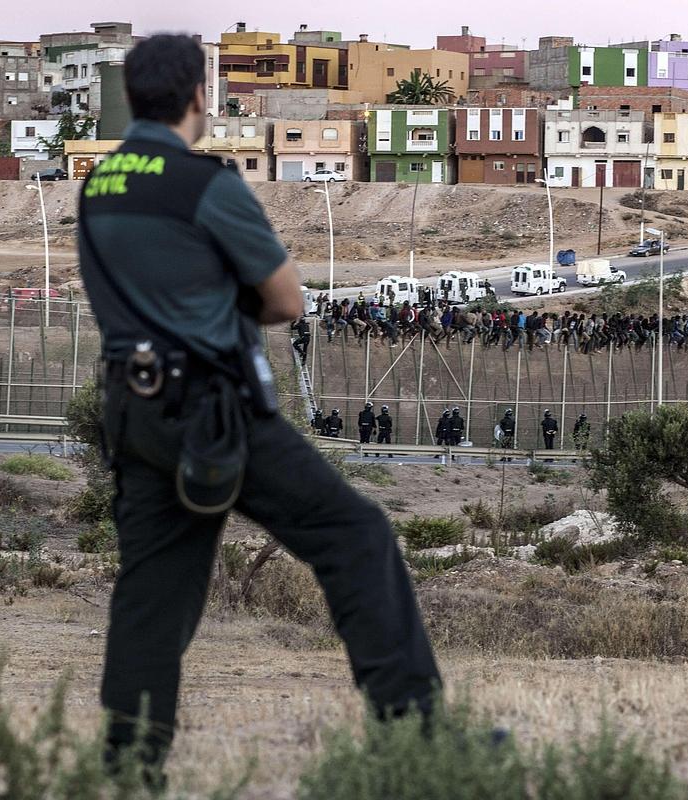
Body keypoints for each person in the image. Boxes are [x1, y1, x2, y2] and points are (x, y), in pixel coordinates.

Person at [76, 36, 441, 778]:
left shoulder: (99, 186)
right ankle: (416, 741)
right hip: (213, 409)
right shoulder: (206, 184)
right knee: (356, 536)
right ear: (197, 97)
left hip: (132, 409)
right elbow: (285, 300)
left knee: (153, 595)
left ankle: (125, 770)